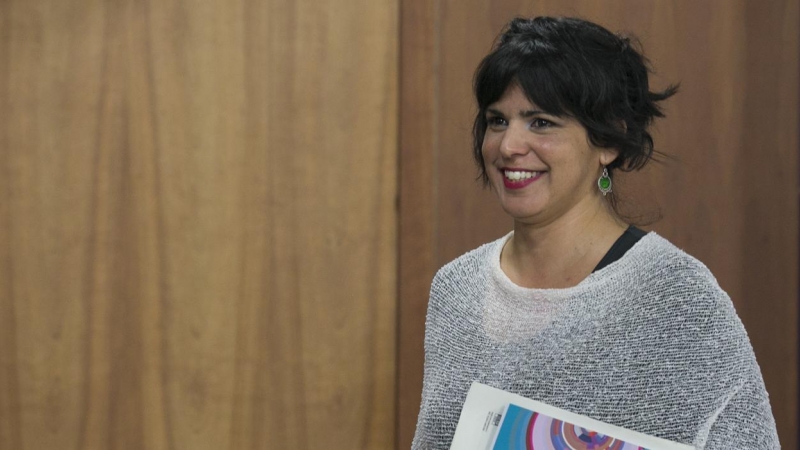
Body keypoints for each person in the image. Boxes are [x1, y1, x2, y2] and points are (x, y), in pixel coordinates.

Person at [411, 16, 779, 449]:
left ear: (610, 140)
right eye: (497, 120)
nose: (508, 146)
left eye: (541, 122)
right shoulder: (456, 288)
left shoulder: (678, 297)